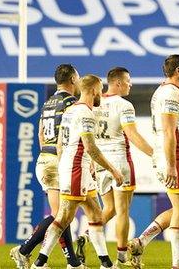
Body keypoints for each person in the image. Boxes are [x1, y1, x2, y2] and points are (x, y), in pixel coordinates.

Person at [29, 74, 123, 269]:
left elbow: (61, 144)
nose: (101, 94)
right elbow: (90, 147)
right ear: (94, 91)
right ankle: (39, 262)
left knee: (96, 213)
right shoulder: (85, 113)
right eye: (100, 90)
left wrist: (66, 165)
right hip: (76, 170)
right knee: (64, 217)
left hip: (75, 168)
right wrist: (112, 170)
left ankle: (105, 263)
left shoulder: (70, 111)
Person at [9, 64, 83, 269]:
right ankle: (24, 250)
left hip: (44, 158)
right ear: (73, 79)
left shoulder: (48, 103)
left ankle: (73, 262)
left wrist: (48, 155)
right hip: (59, 160)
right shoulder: (72, 103)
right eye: (78, 77)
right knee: (61, 215)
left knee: (61, 213)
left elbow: (41, 134)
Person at [80, 67, 152, 267]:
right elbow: (132, 135)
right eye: (128, 80)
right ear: (118, 83)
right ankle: (121, 259)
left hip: (100, 162)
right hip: (120, 162)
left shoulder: (94, 104)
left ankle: (86, 236)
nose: (131, 84)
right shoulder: (124, 105)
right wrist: (154, 154)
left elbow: (88, 136)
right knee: (122, 211)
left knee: (109, 208)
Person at [128, 54, 179, 269]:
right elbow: (168, 130)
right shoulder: (169, 93)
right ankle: (178, 263)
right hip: (174, 156)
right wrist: (172, 165)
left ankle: (141, 241)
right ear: (177, 71)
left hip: (173, 155)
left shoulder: (165, 91)